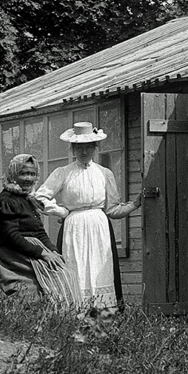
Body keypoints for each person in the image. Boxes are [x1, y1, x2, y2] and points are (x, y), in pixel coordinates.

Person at [35, 123, 138, 309]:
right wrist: (61, 211)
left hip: (99, 228)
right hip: (74, 228)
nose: (84, 151)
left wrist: (136, 204)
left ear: (95, 147)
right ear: (73, 148)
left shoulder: (104, 173)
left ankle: (102, 321)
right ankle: (74, 318)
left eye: (88, 146)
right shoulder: (63, 173)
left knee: (102, 270)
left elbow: (113, 210)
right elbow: (40, 197)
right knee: (76, 270)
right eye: (79, 147)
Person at [0, 154, 78, 303]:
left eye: (32, 174)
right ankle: (55, 316)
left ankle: (66, 319)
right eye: (23, 173)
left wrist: (53, 251)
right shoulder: (6, 200)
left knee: (65, 272)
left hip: (30, 249)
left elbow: (39, 231)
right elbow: (11, 236)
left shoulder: (28, 199)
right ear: (13, 174)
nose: (28, 178)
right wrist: (42, 253)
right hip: (12, 253)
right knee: (55, 277)